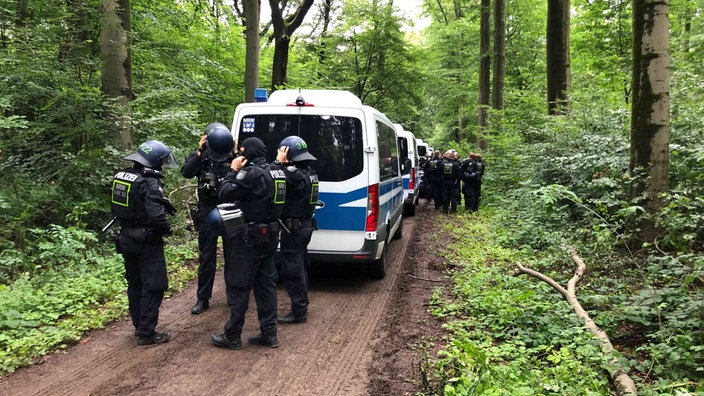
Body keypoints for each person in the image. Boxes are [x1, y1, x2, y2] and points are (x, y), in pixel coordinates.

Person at [211, 137, 286, 350]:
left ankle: (232, 336)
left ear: (248, 153)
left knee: (238, 285)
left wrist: (232, 171)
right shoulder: (276, 171)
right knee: (266, 286)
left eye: (242, 150)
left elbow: (224, 193)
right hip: (271, 237)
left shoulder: (250, 173)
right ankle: (269, 334)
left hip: (250, 239)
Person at [110, 140, 177, 346]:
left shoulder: (123, 176)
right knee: (155, 285)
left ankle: (139, 326)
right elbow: (156, 216)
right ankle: (147, 333)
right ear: (154, 160)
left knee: (135, 282)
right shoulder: (150, 182)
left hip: (126, 237)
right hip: (147, 241)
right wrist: (168, 229)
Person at [180, 123, 236, 314]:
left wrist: (234, 152)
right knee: (206, 257)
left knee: (233, 255)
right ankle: (203, 298)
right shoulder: (201, 157)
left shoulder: (234, 157)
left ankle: (233, 295)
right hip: (207, 209)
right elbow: (187, 172)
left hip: (229, 208)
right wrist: (198, 152)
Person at [274, 136, 319, 324]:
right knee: (299, 266)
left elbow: (272, 172)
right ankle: (302, 303)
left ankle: (299, 311)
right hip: (304, 227)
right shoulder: (310, 173)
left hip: (294, 230)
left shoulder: (294, 175)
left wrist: (280, 162)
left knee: (292, 270)